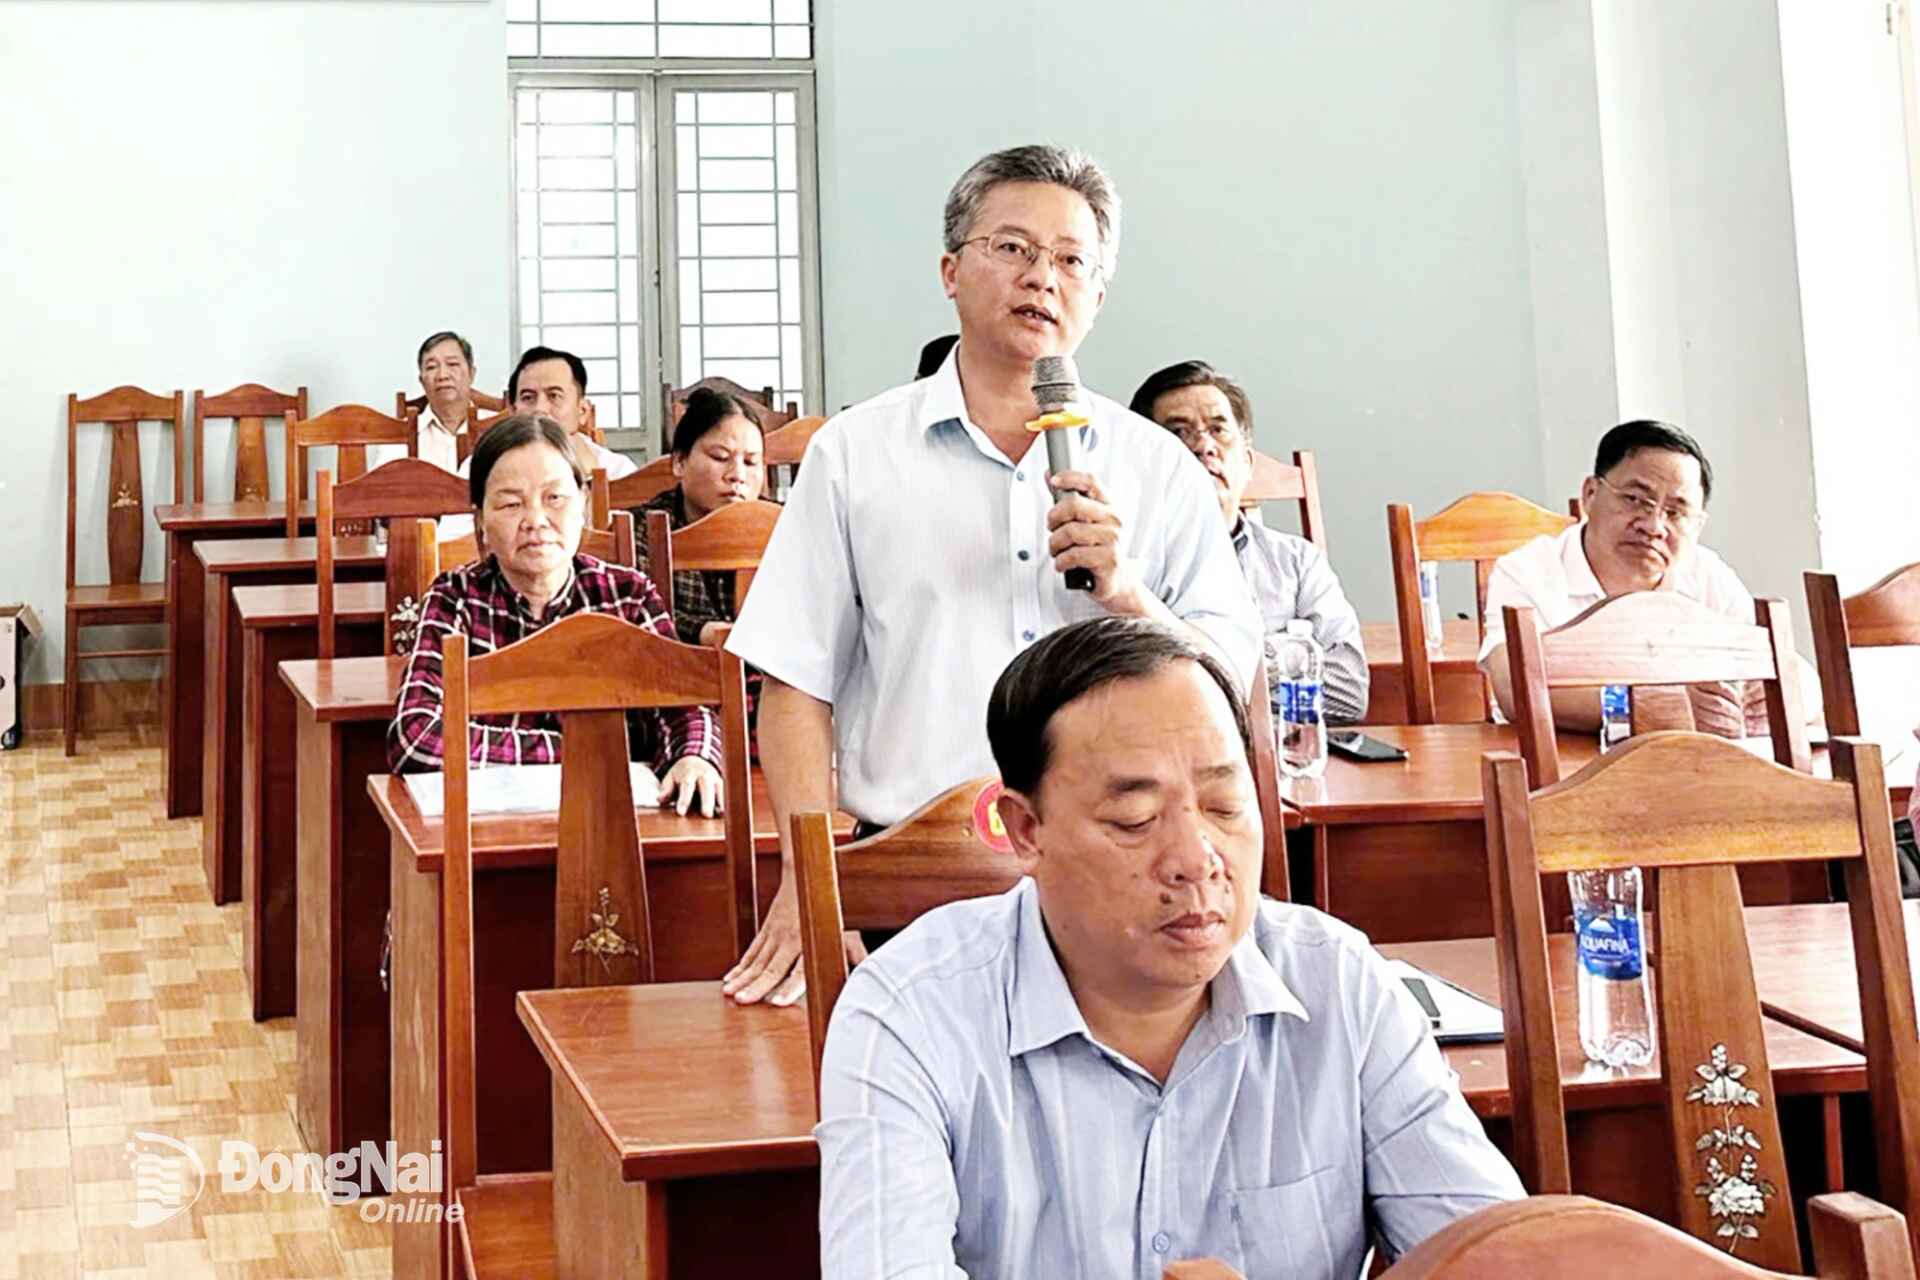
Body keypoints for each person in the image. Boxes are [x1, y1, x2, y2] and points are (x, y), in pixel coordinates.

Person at [815, 616, 1523, 1279]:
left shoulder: (1339, 985)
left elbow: (1500, 1258)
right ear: (1025, 830)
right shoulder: (909, 1013)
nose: (1196, 858)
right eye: (1134, 817)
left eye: (1224, 807)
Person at [722, 144, 1261, 1007]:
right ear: (951, 269)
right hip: (904, 878)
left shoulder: (1157, 468)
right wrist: (812, 880)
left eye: (1070, 260)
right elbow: (794, 682)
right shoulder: (855, 454)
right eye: (1012, 248)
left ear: (1097, 294)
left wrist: (1126, 592)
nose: (1042, 277)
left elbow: (1229, 680)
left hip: (1120, 880)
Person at [388, 414, 725, 816]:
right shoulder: (454, 599)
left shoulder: (627, 595)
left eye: (554, 498)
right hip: (494, 837)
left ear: (583, 502)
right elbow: (416, 737)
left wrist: (695, 757)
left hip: (620, 825)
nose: (535, 521)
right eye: (512, 504)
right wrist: (583, 750)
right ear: (480, 521)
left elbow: (686, 707)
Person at [1479, 419, 1818, 734]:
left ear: (1698, 526)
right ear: (1590, 495)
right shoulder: (1528, 570)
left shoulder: (1705, 574)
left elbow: (1803, 683)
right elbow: (1513, 687)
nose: (1654, 526)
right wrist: (1657, 707)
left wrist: (1772, 701)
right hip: (1565, 772)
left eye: (1676, 512)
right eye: (1635, 500)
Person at [1132, 360, 1368, 723]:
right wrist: (1289, 659)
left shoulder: (1297, 562)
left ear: (1245, 461)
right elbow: (1145, 703)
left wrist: (1218, 665)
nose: (1203, 446)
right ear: (1145, 462)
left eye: (1218, 430)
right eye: (1179, 432)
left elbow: (1348, 693)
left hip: (1291, 760)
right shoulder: (1127, 569)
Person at [439, 345, 636, 539]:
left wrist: (591, 482)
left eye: (554, 396)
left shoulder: (617, 470)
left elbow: (633, 550)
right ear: (512, 411)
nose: (540, 409)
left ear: (582, 411)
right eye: (528, 397)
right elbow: (449, 544)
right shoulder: (479, 465)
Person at [631, 386, 769, 647]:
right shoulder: (642, 530)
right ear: (679, 463)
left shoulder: (784, 527)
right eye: (720, 457)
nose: (737, 475)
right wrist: (700, 631)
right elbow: (636, 613)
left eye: (751, 462)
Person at [412, 330, 479, 472]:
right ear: (421, 381)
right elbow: (378, 489)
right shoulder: (401, 432)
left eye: (452, 364)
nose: (442, 375)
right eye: (431, 367)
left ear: (471, 374)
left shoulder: (496, 428)